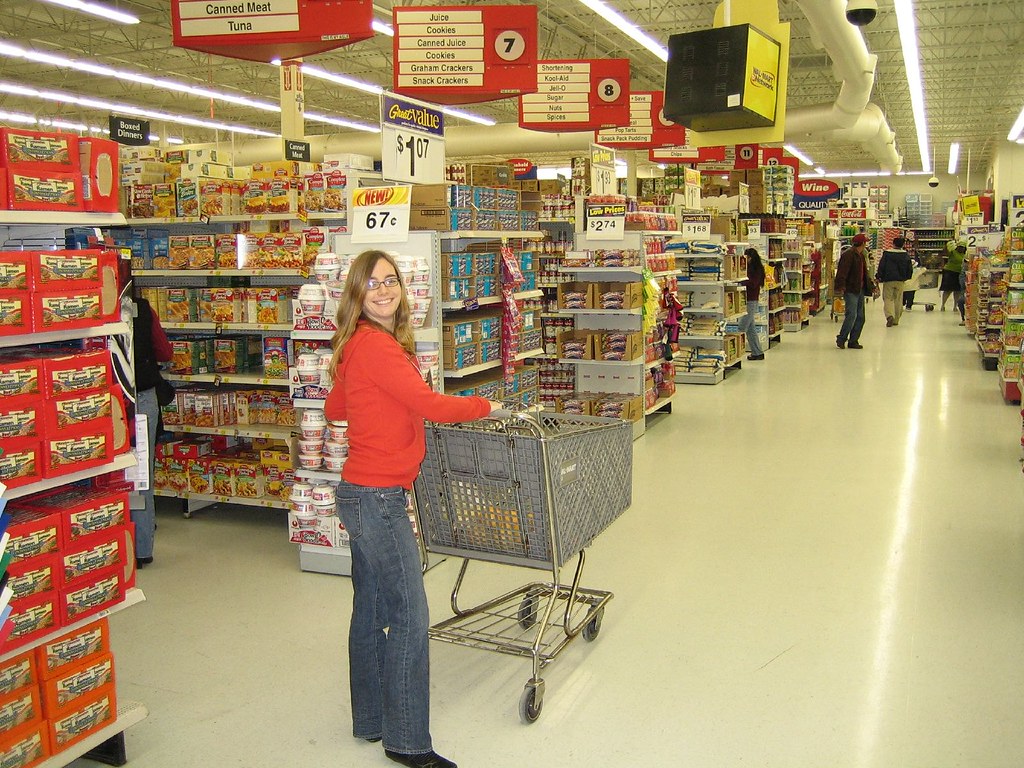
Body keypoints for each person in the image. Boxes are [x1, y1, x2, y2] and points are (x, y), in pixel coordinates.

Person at [324, 250, 501, 768]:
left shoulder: (359, 345)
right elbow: (434, 405)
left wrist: (375, 403)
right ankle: (406, 742)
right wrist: (489, 405)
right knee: (409, 617)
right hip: (378, 500)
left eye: (390, 280)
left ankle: (370, 722)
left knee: (371, 609)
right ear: (356, 294)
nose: (383, 290)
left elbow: (336, 408)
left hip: (357, 494)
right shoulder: (378, 348)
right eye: (371, 284)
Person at [131, 294, 172, 567]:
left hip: (104, 396)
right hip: (142, 395)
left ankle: (112, 545)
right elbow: (164, 351)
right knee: (140, 474)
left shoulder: (90, 310)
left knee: (111, 476)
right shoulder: (142, 308)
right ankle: (141, 549)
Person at [833, 233, 876, 350]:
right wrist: (840, 287)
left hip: (860, 289)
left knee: (861, 317)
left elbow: (864, 274)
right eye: (865, 242)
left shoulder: (860, 256)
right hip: (851, 289)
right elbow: (842, 273)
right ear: (862, 243)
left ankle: (853, 340)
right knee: (851, 315)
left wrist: (871, 285)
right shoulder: (848, 255)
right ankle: (841, 338)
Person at [875, 235, 913, 327]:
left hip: (888, 280)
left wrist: (879, 276)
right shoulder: (905, 255)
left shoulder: (887, 254)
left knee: (888, 298)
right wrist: (907, 277)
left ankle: (889, 316)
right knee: (898, 299)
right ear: (903, 244)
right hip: (900, 280)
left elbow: (882, 266)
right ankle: (896, 319)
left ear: (893, 244)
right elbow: (909, 268)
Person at [741, 247, 766, 360]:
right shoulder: (749, 268)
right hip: (746, 300)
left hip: (751, 301)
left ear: (751, 258)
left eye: (747, 257)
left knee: (741, 327)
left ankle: (735, 351)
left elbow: (753, 283)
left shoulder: (756, 269)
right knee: (751, 329)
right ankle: (757, 353)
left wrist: (741, 281)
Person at [940, 241, 967, 312]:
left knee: (957, 290)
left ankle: (955, 306)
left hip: (959, 273)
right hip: (949, 272)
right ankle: (943, 305)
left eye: (963, 247)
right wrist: (948, 244)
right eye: (960, 247)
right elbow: (945, 252)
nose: (961, 249)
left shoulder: (964, 254)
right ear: (957, 247)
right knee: (947, 290)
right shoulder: (953, 252)